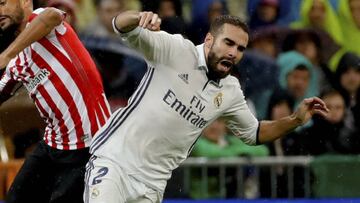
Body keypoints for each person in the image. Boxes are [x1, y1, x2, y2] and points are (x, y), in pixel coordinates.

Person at [84, 11, 329, 203]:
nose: (233, 53)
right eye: (228, 43)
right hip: (115, 162)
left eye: (240, 48)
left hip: (152, 185)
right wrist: (138, 17)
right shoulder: (175, 50)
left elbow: (254, 133)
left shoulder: (231, 90)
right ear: (209, 39)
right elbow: (119, 25)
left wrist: (295, 119)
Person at [0, 0, 111, 202]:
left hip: (90, 143)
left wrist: (7, 54)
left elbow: (51, 15)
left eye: (2, 3)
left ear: (25, 1)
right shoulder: (17, 63)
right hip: (54, 144)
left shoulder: (45, 21)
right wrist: (10, 57)